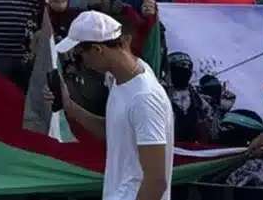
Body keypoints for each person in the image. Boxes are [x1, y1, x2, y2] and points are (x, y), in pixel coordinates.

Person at [50, 11, 172, 200]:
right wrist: (70, 107)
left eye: (81, 55)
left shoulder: (144, 98)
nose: (82, 63)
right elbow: (115, 131)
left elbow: (156, 182)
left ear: (97, 50)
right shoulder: (121, 78)